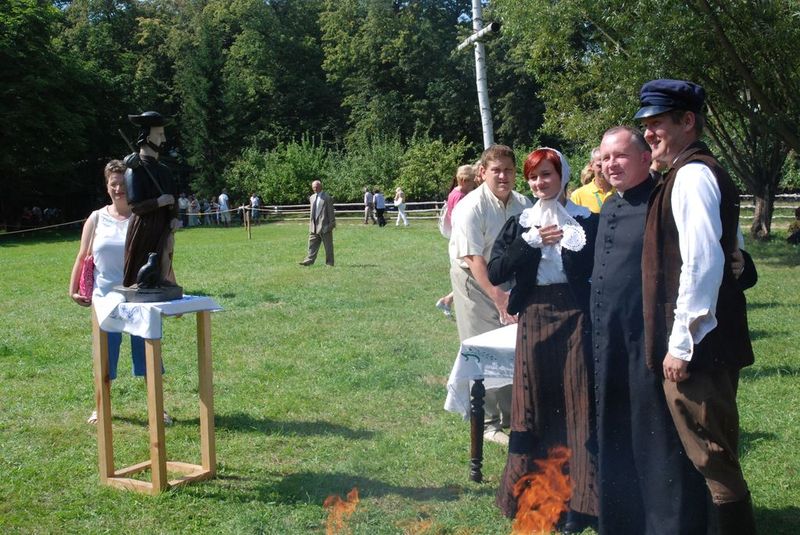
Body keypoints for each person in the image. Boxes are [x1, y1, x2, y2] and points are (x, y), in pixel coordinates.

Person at [637, 79, 756, 534]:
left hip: (702, 347)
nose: (649, 133)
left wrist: (682, 344)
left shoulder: (692, 175)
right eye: (645, 125)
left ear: (687, 121)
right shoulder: (688, 172)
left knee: (712, 455)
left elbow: (703, 263)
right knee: (708, 452)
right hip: (703, 343)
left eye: (657, 123)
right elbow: (729, 246)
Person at [593, 126, 709, 534]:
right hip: (609, 346)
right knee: (616, 436)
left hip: (650, 346)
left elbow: (703, 255)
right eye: (606, 157)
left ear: (646, 159)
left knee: (657, 441)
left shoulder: (665, 201)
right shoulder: (609, 205)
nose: (611, 164)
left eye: (620, 156)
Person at [488, 147, 598, 531]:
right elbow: (497, 270)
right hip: (534, 317)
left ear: (563, 176)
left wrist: (572, 243)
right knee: (534, 404)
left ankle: (580, 503)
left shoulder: (586, 220)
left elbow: (600, 270)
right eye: (533, 177)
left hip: (576, 317)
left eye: (547, 174)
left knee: (577, 404)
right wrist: (529, 243)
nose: (539, 183)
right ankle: (533, 497)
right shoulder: (521, 223)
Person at [68, 160, 171, 425]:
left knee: (149, 355)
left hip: (140, 298)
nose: (118, 189)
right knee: (105, 356)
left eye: (123, 183)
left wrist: (172, 288)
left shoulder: (144, 217)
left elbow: (162, 258)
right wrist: (73, 289)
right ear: (107, 186)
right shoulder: (96, 218)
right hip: (105, 299)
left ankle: (158, 409)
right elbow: (82, 255)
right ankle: (101, 407)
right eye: (113, 183)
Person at [448, 144, 532, 446]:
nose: (503, 176)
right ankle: (487, 423)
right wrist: (499, 298)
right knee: (482, 348)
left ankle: (513, 417)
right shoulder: (470, 206)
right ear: (482, 173)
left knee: (514, 347)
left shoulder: (523, 204)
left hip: (509, 280)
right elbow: (473, 259)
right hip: (474, 281)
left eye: (509, 170)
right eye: (496, 170)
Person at [122, 111, 179, 288]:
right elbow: (136, 207)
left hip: (163, 224)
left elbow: (173, 199)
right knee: (143, 260)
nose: (164, 139)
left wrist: (174, 217)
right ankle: (141, 282)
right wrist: (158, 202)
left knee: (165, 250)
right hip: (145, 227)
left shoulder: (164, 171)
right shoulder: (135, 170)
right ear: (147, 137)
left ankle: (161, 279)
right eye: (159, 134)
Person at [436, 164, 477, 317]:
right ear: (464, 181)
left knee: (472, 275)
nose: (474, 185)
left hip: (458, 236)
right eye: (472, 181)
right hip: (462, 238)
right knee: (471, 274)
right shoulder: (460, 196)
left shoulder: (454, 192)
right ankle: (450, 301)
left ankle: (448, 300)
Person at [299, 180, 336, 266]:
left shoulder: (327, 197)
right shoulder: (312, 197)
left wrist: (331, 225)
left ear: (320, 186)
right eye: (313, 187)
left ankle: (329, 263)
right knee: (311, 245)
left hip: (325, 226)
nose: (314, 188)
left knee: (328, 247)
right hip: (314, 227)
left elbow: (331, 212)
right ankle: (309, 261)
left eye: (315, 186)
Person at [570, 147, 614, 213]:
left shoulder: (621, 191)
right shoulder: (578, 196)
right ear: (591, 165)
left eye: (606, 165)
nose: (603, 170)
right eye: (600, 166)